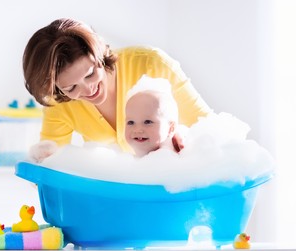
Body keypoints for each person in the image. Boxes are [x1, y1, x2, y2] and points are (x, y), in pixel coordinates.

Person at [23, 18, 212, 162]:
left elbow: (211, 128)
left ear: (98, 55)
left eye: (90, 74)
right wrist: (39, 158)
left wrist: (183, 134)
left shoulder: (152, 65)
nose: (88, 89)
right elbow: (48, 169)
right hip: (119, 191)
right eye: (71, 87)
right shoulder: (60, 104)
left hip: (171, 182)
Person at [125, 75, 179, 157]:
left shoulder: (167, 159)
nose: (137, 130)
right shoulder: (129, 160)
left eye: (147, 122)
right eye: (131, 122)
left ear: (171, 129)